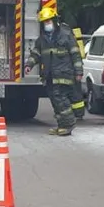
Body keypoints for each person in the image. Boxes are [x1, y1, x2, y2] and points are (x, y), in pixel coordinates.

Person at [25, 7, 84, 136]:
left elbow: (75, 54)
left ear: (54, 20)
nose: (47, 24)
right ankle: (61, 125)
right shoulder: (43, 39)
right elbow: (36, 53)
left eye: (49, 21)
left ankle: (69, 124)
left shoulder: (66, 35)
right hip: (50, 76)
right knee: (55, 100)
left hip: (64, 74)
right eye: (45, 22)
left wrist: (79, 72)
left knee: (61, 99)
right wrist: (29, 64)